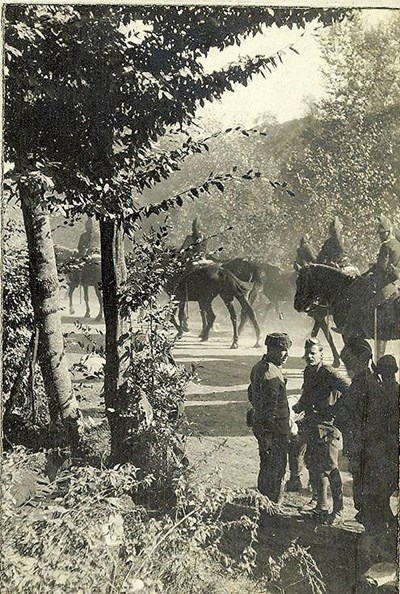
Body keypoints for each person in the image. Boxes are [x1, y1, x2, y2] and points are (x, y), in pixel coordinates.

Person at [292, 338, 350, 524]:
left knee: (331, 467)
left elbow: (349, 389)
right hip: (312, 424)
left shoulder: (328, 372)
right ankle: (321, 505)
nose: (309, 356)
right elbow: (307, 395)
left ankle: (339, 508)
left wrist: (335, 410)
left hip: (327, 427)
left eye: (313, 353)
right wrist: (297, 406)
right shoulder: (309, 372)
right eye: (307, 353)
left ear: (321, 355)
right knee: (315, 466)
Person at [248, 332, 293, 504]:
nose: (286, 354)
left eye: (287, 349)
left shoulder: (260, 366)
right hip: (275, 431)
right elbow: (270, 409)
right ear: (271, 349)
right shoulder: (270, 374)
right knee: (277, 471)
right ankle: (272, 508)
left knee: (266, 468)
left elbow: (250, 393)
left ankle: (264, 504)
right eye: (282, 350)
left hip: (265, 428)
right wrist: (268, 433)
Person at [332, 338, 373, 523]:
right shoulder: (371, 381)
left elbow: (342, 415)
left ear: (359, 360)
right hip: (366, 446)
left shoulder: (359, 385)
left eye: (349, 362)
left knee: (363, 492)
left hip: (360, 446)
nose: (347, 367)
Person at [361, 354, 399, 532]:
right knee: (384, 492)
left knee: (379, 493)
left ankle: (388, 526)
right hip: (392, 448)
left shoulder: (381, 392)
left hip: (382, 448)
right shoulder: (395, 390)